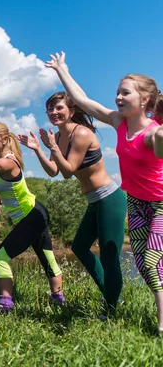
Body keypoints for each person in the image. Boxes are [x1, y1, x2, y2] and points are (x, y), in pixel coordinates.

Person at [46, 51, 163, 332]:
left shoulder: (154, 132)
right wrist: (62, 69)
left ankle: (160, 325)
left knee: (149, 259)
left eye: (125, 93)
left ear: (144, 100)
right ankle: (121, 303)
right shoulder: (119, 123)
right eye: (117, 93)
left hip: (160, 204)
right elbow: (84, 101)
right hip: (136, 202)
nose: (118, 98)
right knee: (143, 264)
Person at [18, 90, 126, 315]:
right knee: (79, 247)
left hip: (109, 198)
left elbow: (68, 172)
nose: (54, 112)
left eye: (59, 108)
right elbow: (54, 171)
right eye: (50, 108)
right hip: (93, 200)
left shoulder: (82, 134)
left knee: (109, 254)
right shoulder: (56, 137)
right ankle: (111, 294)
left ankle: (112, 308)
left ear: (72, 111)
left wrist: (53, 148)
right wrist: (39, 148)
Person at [0, 83, 64, 314]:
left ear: (2, 139)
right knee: (46, 255)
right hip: (33, 214)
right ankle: (59, 300)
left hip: (32, 215)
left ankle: (6, 303)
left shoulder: (9, 161)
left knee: (0, 257)